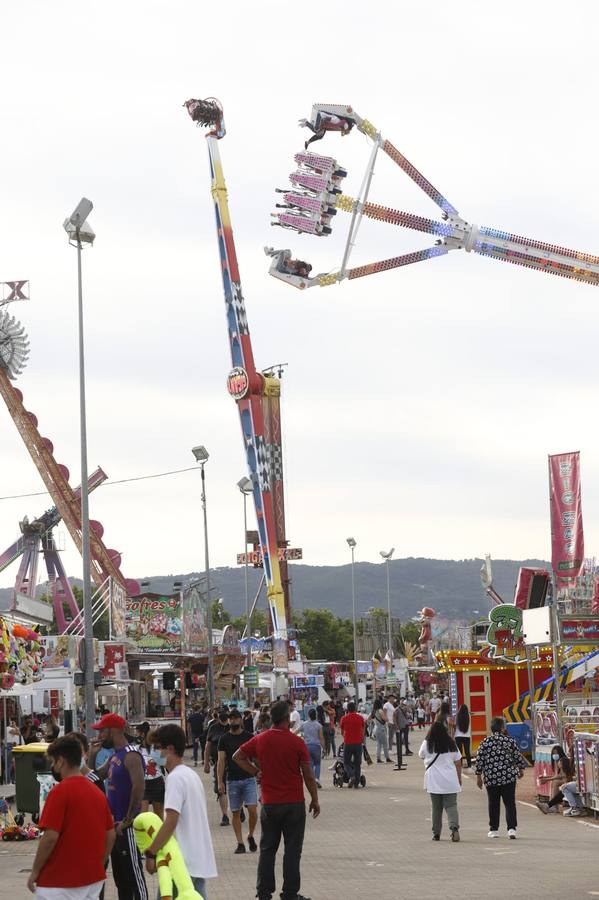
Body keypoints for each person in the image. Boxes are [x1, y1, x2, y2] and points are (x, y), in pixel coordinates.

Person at [234, 699, 319, 900]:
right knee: (292, 851)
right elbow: (308, 774)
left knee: (267, 849)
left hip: (270, 804)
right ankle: (290, 893)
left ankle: (264, 893)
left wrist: (256, 772)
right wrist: (314, 799)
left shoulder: (260, 739)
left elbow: (238, 756)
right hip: (293, 804)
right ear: (288, 718)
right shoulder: (297, 742)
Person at [27, 734, 115, 898]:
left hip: (59, 882)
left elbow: (50, 837)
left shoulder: (59, 792)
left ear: (61, 761)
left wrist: (35, 871)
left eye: (53, 761)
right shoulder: (97, 792)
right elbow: (110, 834)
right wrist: (99, 863)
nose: (53, 766)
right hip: (92, 880)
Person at [143, 724, 217, 899]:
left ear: (170, 749)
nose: (154, 752)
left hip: (180, 862)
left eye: (157, 747)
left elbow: (171, 821)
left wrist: (152, 851)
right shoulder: (190, 775)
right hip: (196, 859)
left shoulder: (175, 778)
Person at [89, 713, 148, 900]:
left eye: (101, 732)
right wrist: (92, 756)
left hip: (126, 828)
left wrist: (127, 820)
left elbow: (139, 788)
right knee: (121, 881)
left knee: (134, 878)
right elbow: (96, 778)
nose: (99, 736)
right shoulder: (115, 756)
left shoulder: (131, 755)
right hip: (114, 828)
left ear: (113, 730)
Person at [475, 716, 526, 839]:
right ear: (503, 728)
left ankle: (494, 830)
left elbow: (479, 761)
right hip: (508, 777)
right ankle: (512, 829)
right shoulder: (510, 741)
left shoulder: (485, 742)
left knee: (493, 803)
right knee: (509, 803)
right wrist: (520, 770)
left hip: (491, 778)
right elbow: (518, 757)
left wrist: (479, 777)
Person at [217, 708, 258, 854]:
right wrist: (219, 781)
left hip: (249, 779)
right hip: (232, 779)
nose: (232, 721)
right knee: (235, 812)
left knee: (252, 809)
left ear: (241, 720)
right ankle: (240, 843)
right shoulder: (224, 739)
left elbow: (255, 757)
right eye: (230, 718)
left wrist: (259, 772)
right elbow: (221, 761)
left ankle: (251, 835)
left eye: (235, 718)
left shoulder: (249, 737)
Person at [419, 721, 462, 842]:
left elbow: (421, 755)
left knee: (436, 808)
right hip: (450, 780)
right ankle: (454, 829)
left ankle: (436, 833)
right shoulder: (451, 743)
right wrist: (459, 778)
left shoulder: (427, 743)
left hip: (434, 781)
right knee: (451, 805)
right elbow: (458, 762)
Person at [535, 745, 585, 816]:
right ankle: (551, 806)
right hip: (570, 782)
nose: (569, 753)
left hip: (571, 781)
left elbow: (563, 776)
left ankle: (552, 806)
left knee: (558, 784)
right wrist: (546, 778)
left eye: (556, 753)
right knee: (556, 783)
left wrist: (547, 779)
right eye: (553, 753)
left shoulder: (564, 760)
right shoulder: (557, 761)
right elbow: (558, 775)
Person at [204, 708, 230, 826]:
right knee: (221, 789)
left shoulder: (233, 726)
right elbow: (208, 746)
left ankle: (237, 810)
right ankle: (225, 815)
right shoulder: (213, 728)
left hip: (234, 763)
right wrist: (206, 763)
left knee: (235, 788)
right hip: (218, 763)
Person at [137, 725, 165, 818]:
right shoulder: (136, 749)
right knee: (143, 816)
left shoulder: (155, 748)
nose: (136, 736)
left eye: (138, 733)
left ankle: (160, 832)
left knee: (158, 815)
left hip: (157, 783)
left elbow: (164, 763)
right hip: (143, 784)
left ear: (143, 734)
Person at [340, 701, 365, 789]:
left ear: (347, 709)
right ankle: (356, 783)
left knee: (346, 762)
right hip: (358, 743)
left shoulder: (344, 718)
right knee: (357, 764)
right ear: (355, 709)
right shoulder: (360, 718)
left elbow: (342, 732)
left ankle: (352, 776)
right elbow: (363, 730)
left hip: (348, 743)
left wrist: (346, 737)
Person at [297, 708, 324, 788]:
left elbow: (296, 732)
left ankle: (312, 780)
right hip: (316, 746)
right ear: (316, 715)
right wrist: (324, 747)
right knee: (318, 763)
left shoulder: (304, 724)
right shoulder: (319, 725)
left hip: (306, 746)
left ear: (308, 715)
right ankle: (317, 779)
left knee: (310, 764)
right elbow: (321, 737)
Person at [370, 699, 391, 764]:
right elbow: (386, 719)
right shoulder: (380, 711)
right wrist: (387, 716)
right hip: (381, 728)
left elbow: (368, 719)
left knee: (379, 744)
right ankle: (387, 758)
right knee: (385, 744)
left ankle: (378, 758)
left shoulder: (373, 711)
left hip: (376, 728)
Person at [454, 705, 472, 769]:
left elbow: (455, 725)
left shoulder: (457, 716)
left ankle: (460, 764)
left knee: (459, 751)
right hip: (467, 736)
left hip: (458, 736)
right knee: (467, 751)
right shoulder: (468, 716)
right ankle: (469, 765)